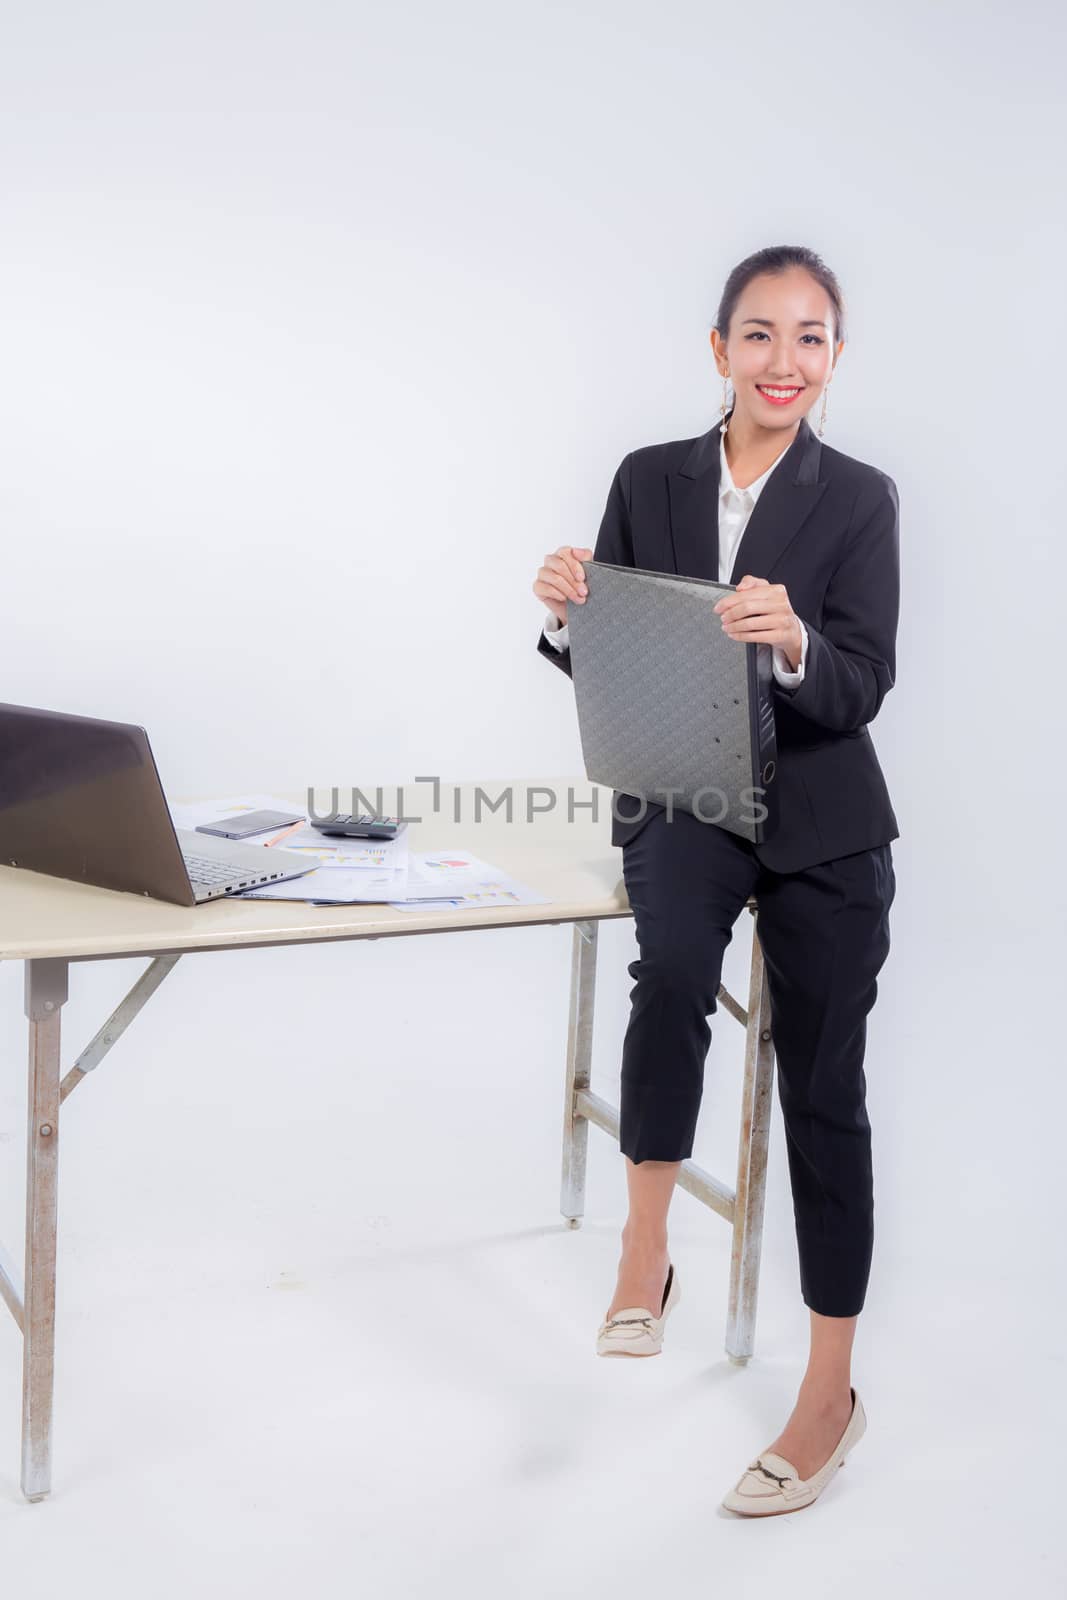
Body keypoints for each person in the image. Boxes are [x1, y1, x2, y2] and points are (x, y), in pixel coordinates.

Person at [530, 245, 899, 1517]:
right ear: (718, 350)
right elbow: (614, 664)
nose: (782, 361)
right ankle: (646, 1250)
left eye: (808, 338)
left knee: (821, 1081)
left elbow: (861, 684)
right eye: (758, 334)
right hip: (687, 790)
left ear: (833, 357)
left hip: (820, 814)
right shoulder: (651, 477)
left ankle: (827, 1390)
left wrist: (795, 637)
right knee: (672, 967)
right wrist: (570, 612)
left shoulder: (858, 498)